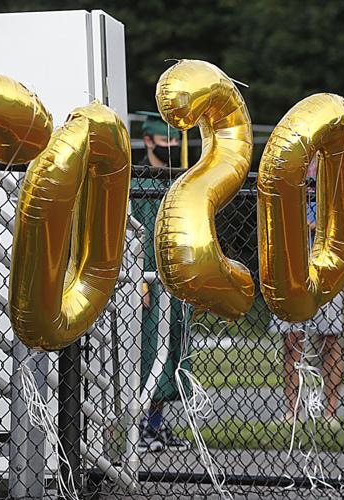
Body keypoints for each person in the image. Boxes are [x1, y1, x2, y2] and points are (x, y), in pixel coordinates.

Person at [131, 111, 191, 453]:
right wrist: (139, 281)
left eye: (175, 140)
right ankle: (140, 427)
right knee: (147, 350)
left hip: (174, 278)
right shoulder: (138, 180)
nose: (171, 146)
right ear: (150, 141)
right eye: (166, 140)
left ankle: (157, 425)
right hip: (148, 281)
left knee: (170, 353)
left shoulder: (176, 181)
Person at [276, 158, 344, 425]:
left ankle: (329, 411)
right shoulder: (288, 162)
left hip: (326, 267)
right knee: (293, 340)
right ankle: (292, 411)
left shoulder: (335, 164)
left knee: (329, 338)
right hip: (293, 266)